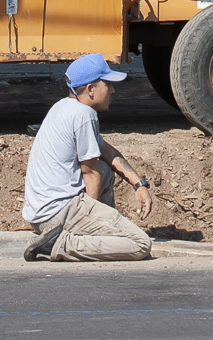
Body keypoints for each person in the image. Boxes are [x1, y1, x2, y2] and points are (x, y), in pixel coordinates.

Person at [20, 53, 155, 262]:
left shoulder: (62, 107)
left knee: (105, 170)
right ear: (91, 89)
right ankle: (62, 244)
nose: (113, 90)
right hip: (61, 213)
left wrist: (139, 184)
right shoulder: (84, 115)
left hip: (40, 215)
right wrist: (91, 218)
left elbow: (108, 152)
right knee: (140, 244)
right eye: (107, 84)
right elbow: (90, 174)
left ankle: (91, 236)